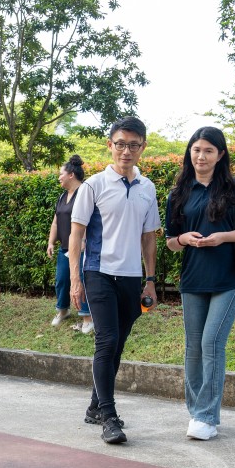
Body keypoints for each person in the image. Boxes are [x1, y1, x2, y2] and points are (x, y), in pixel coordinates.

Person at [164, 127, 235, 441]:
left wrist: (223, 237)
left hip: (230, 278)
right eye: (196, 149)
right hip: (193, 278)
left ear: (220, 155)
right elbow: (170, 242)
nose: (201, 156)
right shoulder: (178, 193)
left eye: (208, 150)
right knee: (193, 348)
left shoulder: (234, 187)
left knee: (211, 343)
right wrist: (183, 238)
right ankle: (197, 412)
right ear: (189, 153)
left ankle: (207, 417)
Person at [68, 117, 161, 445]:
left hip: (131, 277)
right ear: (110, 145)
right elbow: (76, 236)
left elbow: (148, 238)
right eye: (120, 144)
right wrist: (75, 280)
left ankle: (96, 406)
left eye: (133, 145)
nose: (126, 151)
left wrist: (150, 280)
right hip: (99, 273)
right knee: (106, 341)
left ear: (142, 147)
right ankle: (109, 417)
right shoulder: (93, 186)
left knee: (118, 343)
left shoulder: (147, 188)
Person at [45, 154, 94, 334]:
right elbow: (55, 222)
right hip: (65, 247)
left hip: (83, 248)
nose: (59, 177)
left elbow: (90, 219)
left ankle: (87, 317)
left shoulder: (85, 193)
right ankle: (63, 310)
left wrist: (84, 241)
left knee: (82, 281)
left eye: (61, 174)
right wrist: (51, 242)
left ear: (71, 175)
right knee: (62, 280)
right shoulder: (62, 196)